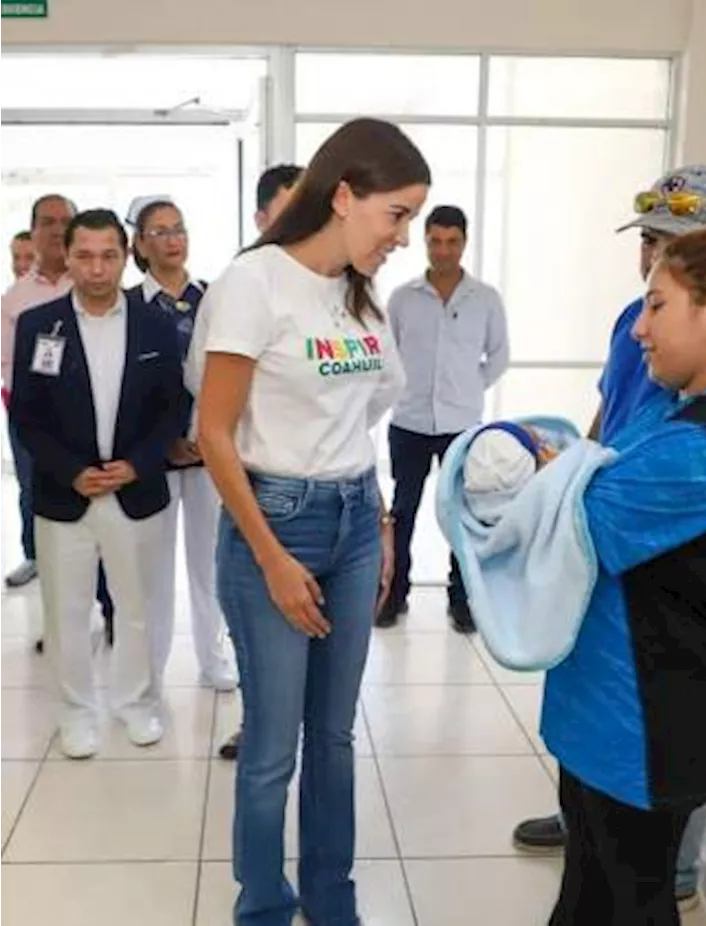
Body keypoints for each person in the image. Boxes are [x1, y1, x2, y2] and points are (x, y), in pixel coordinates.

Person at [511, 165, 706, 912]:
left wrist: (540, 479)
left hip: (647, 710)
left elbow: (573, 526)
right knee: (590, 891)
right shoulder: (677, 411)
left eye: (657, 305)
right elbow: (588, 463)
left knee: (626, 899)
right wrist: (564, 471)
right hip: (612, 701)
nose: (638, 326)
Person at [188, 118, 426, 926]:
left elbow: (363, 415)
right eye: (396, 215)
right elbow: (213, 433)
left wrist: (384, 519)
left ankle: (333, 903)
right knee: (271, 750)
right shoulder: (254, 283)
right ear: (345, 195)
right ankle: (263, 907)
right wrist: (271, 560)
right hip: (274, 522)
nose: (404, 237)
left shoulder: (362, 293)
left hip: (356, 518)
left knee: (333, 739)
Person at [10, 208, 185, 759]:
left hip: (136, 490)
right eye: (83, 255)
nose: (96, 268)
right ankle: (77, 713)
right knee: (66, 611)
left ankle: (137, 704)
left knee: (138, 608)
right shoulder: (41, 326)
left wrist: (137, 463)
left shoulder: (156, 325)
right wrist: (71, 471)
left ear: (126, 255)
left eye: (108, 255)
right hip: (68, 494)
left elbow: (174, 408)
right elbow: (27, 417)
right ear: (67, 255)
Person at [125, 195, 238, 693]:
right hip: (152, 457)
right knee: (153, 568)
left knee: (210, 561)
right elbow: (124, 391)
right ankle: (150, 672)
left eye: (179, 228)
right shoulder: (129, 305)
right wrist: (164, 442)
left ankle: (213, 660)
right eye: (160, 231)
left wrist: (204, 437)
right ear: (140, 245)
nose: (173, 239)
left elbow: (227, 374)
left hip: (210, 450)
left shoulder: (211, 296)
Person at [380, 204, 510, 631]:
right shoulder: (402, 298)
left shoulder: (485, 299)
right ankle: (393, 594)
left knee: (461, 513)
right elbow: (387, 356)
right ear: (425, 242)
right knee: (403, 511)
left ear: (464, 243)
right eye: (435, 241)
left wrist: (469, 390)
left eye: (452, 242)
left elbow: (499, 356)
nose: (443, 251)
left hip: (461, 425)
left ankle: (462, 599)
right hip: (410, 422)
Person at [217, 163, 304, 764]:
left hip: (333, 493)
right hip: (260, 485)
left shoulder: (338, 285)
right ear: (261, 217)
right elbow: (213, 405)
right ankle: (258, 720)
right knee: (265, 649)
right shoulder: (244, 284)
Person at [1, 194, 75, 591]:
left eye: (66, 220)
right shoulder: (13, 300)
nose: (57, 229)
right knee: (33, 488)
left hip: (86, 412)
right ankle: (36, 558)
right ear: (34, 230)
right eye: (48, 221)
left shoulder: (90, 283)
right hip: (30, 413)